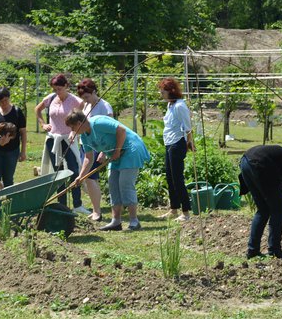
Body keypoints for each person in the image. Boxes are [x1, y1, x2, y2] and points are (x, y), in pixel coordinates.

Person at [66, 110, 150, 231]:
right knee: (113, 185)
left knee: (125, 184)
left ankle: (134, 221)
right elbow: (89, 158)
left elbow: (121, 130)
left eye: (73, 127)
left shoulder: (98, 123)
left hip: (130, 149)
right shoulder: (84, 136)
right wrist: (81, 176)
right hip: (115, 154)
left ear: (79, 123)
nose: (72, 131)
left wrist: (117, 150)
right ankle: (116, 221)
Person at [34, 74, 87, 214]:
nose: (57, 91)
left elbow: (81, 118)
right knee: (58, 173)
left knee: (74, 170)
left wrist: (73, 132)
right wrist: (43, 124)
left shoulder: (76, 101)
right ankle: (62, 205)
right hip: (53, 139)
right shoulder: (50, 98)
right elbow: (37, 109)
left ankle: (77, 204)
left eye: (59, 88)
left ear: (66, 86)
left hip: (68, 139)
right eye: (55, 89)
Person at [158, 78, 196, 222]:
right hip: (169, 143)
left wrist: (189, 142)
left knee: (177, 178)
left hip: (177, 143)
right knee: (169, 176)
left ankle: (185, 212)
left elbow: (187, 126)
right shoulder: (170, 105)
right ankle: (173, 209)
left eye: (163, 91)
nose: (161, 94)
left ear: (171, 91)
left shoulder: (180, 106)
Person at [76, 78, 113, 222]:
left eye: (87, 96)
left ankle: (98, 211)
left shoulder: (104, 106)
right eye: (83, 98)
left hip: (99, 146)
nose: (85, 100)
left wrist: (104, 152)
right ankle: (95, 208)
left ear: (94, 92)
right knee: (87, 178)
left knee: (91, 178)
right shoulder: (86, 106)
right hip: (86, 145)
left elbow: (111, 129)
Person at [0, 87, 27, 195]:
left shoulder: (17, 112)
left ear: (9, 98)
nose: (4, 103)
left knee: (8, 178)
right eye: (1, 101)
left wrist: (23, 152)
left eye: (6, 100)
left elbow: (23, 132)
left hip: (12, 151)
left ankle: (8, 202)